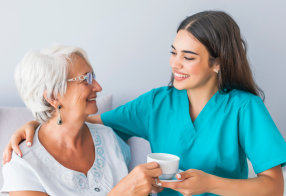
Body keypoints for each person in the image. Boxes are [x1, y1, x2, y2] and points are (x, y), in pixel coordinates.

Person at [3, 10, 286, 196]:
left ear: (217, 63)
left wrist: (210, 183)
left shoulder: (245, 108)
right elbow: (81, 120)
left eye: (188, 57)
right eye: (174, 53)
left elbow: (274, 186)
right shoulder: (156, 104)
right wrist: (34, 123)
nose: (176, 64)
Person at [0, 45, 163, 196]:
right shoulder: (23, 164)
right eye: (86, 79)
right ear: (52, 96)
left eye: (94, 77)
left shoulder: (108, 137)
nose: (98, 87)